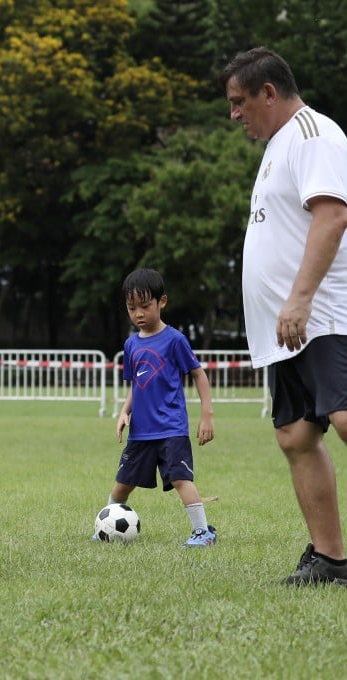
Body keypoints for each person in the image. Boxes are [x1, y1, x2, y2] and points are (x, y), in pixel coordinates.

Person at [222, 47, 347, 585]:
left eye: (239, 102)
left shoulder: (316, 134)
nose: (234, 114)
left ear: (268, 92)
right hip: (287, 330)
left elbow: (333, 214)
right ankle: (331, 560)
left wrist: (299, 299)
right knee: (297, 435)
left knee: (345, 418)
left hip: (322, 315)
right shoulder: (278, 145)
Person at [101, 268, 216, 547]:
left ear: (161, 302)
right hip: (141, 431)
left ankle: (203, 532)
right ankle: (104, 526)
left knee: (180, 479)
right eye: (131, 308)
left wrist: (206, 416)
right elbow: (136, 386)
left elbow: (199, 375)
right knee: (122, 484)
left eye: (145, 306)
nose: (138, 313)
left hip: (171, 428)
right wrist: (123, 412)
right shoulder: (130, 345)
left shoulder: (175, 340)